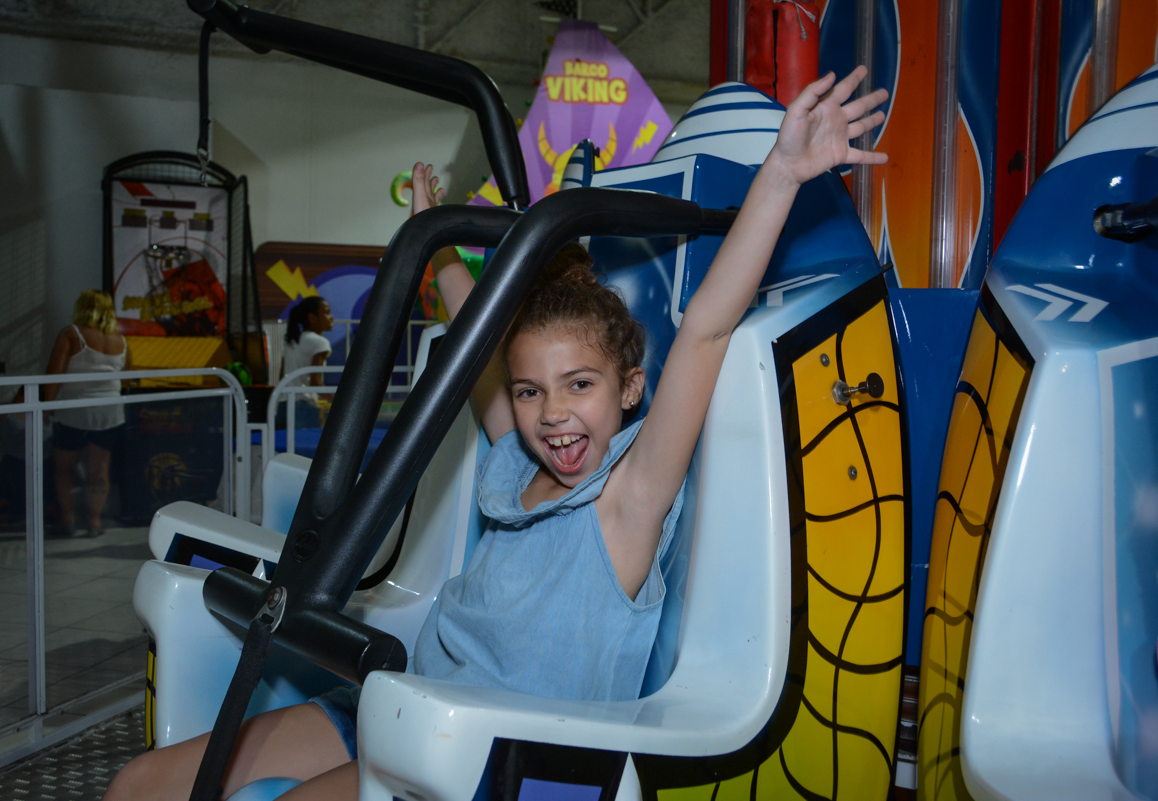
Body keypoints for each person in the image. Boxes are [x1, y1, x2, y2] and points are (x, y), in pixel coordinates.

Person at [102, 67, 888, 801]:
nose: (553, 413)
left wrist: (781, 175)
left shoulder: (628, 499)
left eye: (580, 385)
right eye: (531, 391)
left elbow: (707, 329)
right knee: (142, 783)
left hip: (480, 752)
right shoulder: (514, 461)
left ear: (629, 388)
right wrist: (434, 236)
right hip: (400, 702)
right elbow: (475, 346)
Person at [48, 290, 131, 539]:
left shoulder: (71, 334)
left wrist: (46, 407)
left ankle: (68, 520)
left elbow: (53, 375)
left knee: (64, 469)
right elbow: (128, 374)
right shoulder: (121, 340)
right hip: (109, 413)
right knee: (99, 470)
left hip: (73, 412)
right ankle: (95, 521)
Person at [280, 296, 335, 428]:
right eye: (327, 313)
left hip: (283, 406)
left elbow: (282, 378)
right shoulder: (320, 343)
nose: (331, 317)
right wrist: (340, 402)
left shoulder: (291, 341)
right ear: (312, 318)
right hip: (302, 409)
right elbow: (315, 384)